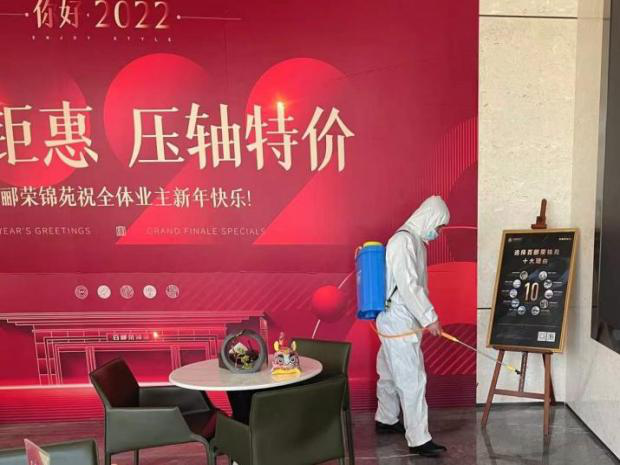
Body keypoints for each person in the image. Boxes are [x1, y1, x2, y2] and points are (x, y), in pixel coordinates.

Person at [374, 195, 450, 457]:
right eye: (439, 226)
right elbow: (408, 286)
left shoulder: (415, 242)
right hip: (399, 320)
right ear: (429, 217)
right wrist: (430, 318)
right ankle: (419, 439)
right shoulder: (403, 241)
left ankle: (386, 418)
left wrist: (424, 317)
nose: (438, 232)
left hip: (396, 320)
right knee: (412, 379)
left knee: (388, 371)